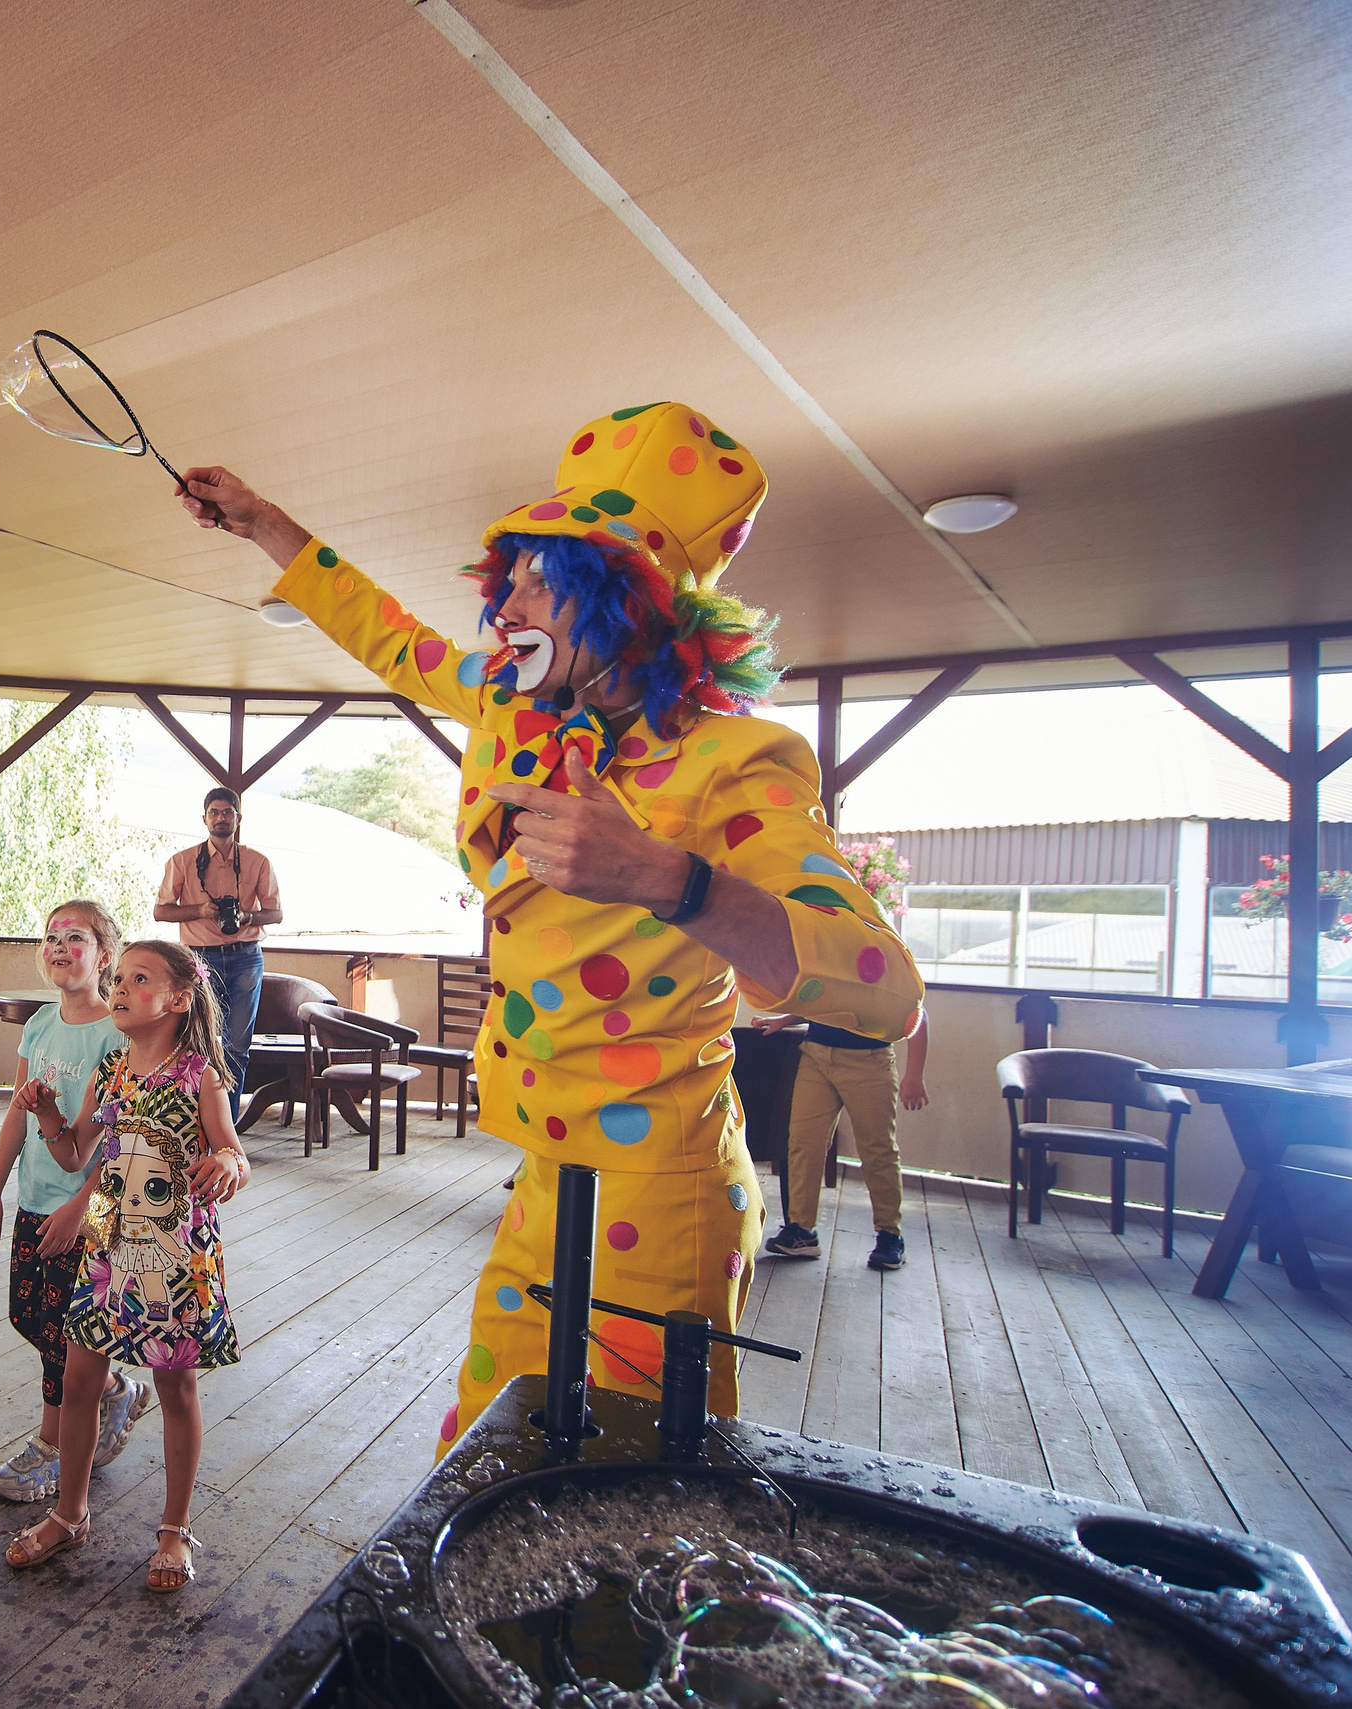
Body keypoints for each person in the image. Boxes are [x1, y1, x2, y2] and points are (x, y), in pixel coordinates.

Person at [177, 400, 924, 1457]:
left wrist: (679, 883)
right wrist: (263, 521)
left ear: (623, 602)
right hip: (542, 1165)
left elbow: (884, 988)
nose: (507, 607)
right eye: (510, 576)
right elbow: (393, 637)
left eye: (541, 580)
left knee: (623, 1490)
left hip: (662, 1186)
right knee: (488, 1450)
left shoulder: (734, 763)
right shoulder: (511, 708)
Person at [6, 940, 249, 1593]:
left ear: (177, 998)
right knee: (80, 1377)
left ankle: (174, 1527)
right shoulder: (110, 1068)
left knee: (176, 1388)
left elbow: (233, 1149)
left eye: (137, 979)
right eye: (118, 978)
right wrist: (51, 1114)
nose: (119, 987)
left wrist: (227, 1164)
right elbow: (77, 1152)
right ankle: (70, 1511)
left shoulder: (199, 1073)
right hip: (108, 1239)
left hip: (173, 1249)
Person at [0, 899, 153, 1503]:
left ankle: (49, 1448)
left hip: (86, 1209)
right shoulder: (39, 1026)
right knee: (29, 1316)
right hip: (33, 1196)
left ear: (104, 955)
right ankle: (111, 1391)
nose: (58, 947)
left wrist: (79, 1211)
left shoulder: (116, 1034)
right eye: (51, 936)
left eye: (74, 937)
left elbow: (104, 1143)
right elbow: (17, 1115)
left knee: (62, 1331)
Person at [759, 1011, 932, 1270]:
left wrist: (915, 1075)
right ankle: (801, 1230)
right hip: (816, 1055)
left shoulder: (887, 969)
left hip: (870, 1060)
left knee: (877, 1149)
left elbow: (917, 1012)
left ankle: (890, 1236)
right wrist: (787, 1019)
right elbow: (821, 998)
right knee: (804, 1142)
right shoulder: (825, 968)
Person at [153, 786, 282, 1110]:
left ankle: (228, 1126)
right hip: (199, 959)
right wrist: (200, 910)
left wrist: (247, 916)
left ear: (238, 818)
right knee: (195, 1041)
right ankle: (195, 1121)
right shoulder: (182, 861)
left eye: (227, 812)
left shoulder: (257, 861)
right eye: (215, 812)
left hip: (245, 958)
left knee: (237, 1046)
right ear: (204, 817)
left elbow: (276, 913)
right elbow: (161, 911)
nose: (221, 818)